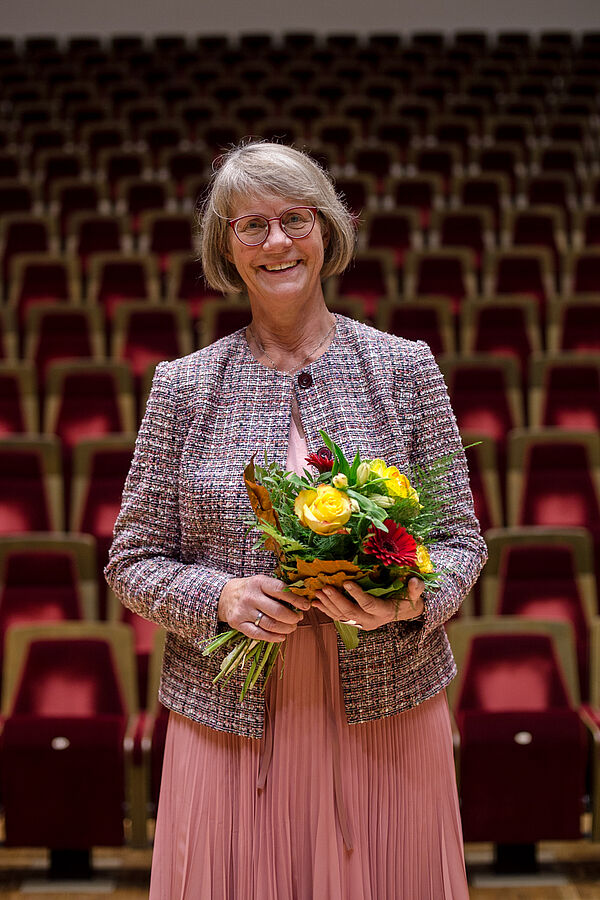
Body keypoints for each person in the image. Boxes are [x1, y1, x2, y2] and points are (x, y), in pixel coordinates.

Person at [106, 140, 488, 900]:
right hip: (227, 720)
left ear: (328, 230)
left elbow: (460, 542)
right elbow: (132, 559)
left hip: (388, 712)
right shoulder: (182, 387)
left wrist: (413, 597)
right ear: (227, 248)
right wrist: (221, 598)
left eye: (294, 218)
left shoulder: (404, 368)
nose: (276, 241)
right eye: (251, 226)